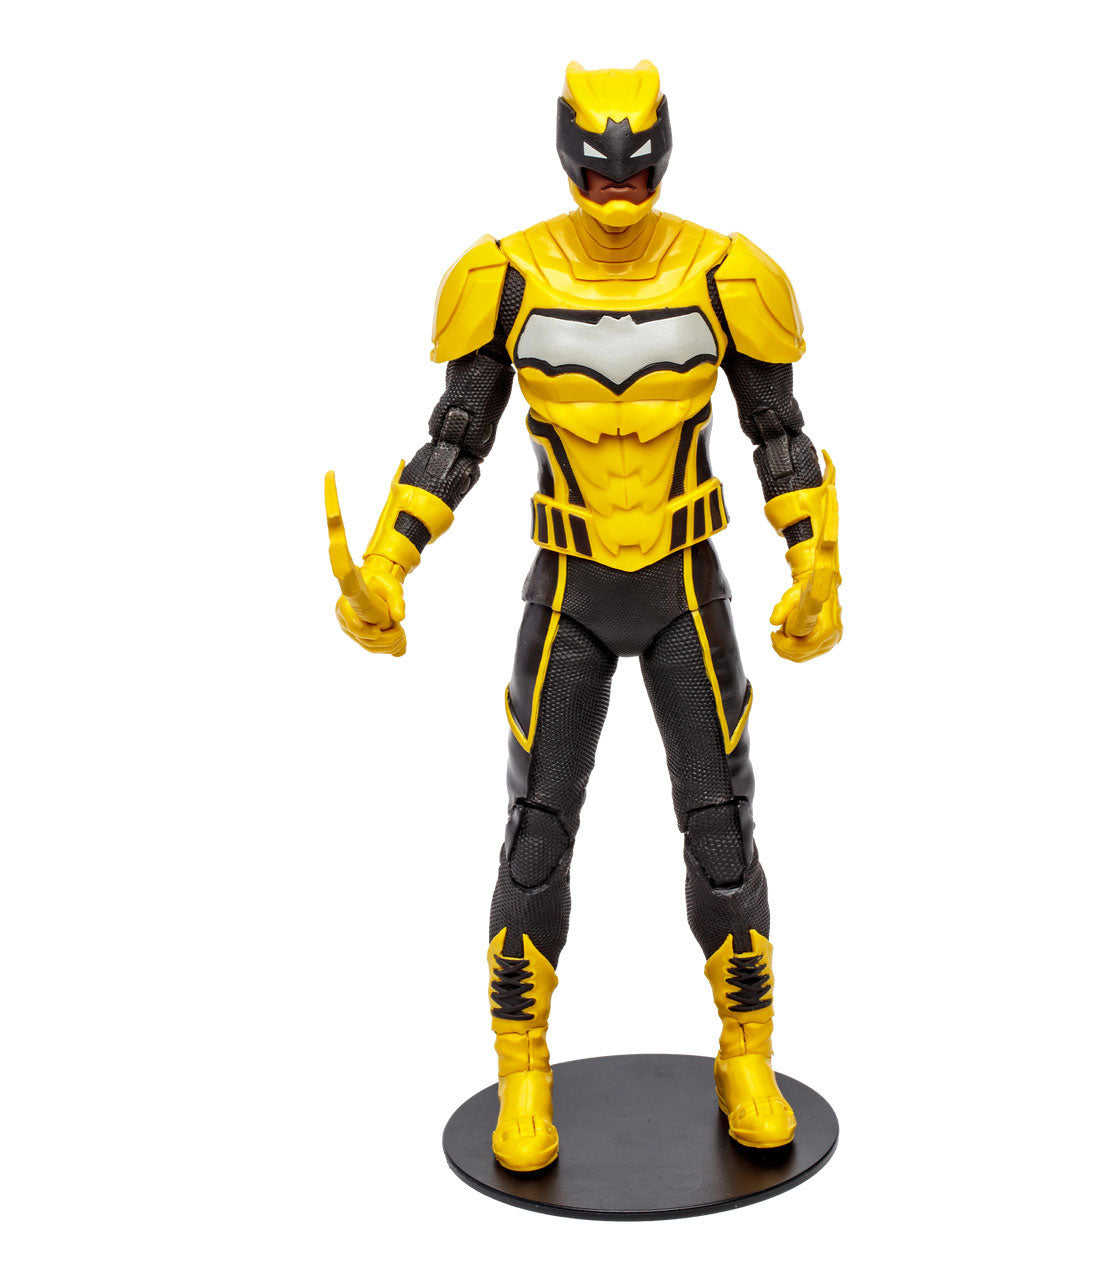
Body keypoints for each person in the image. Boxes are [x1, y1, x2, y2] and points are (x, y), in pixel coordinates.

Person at [326, 60, 843, 1172]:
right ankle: (522, 1070)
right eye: (598, 168)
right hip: (566, 592)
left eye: (634, 167)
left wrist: (817, 566)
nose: (617, 188)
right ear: (567, 151)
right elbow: (456, 439)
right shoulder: (508, 277)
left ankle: (746, 1053)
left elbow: (779, 434)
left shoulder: (725, 273)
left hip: (684, 588)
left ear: (662, 150)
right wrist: (388, 564)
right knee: (535, 834)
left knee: (722, 830)